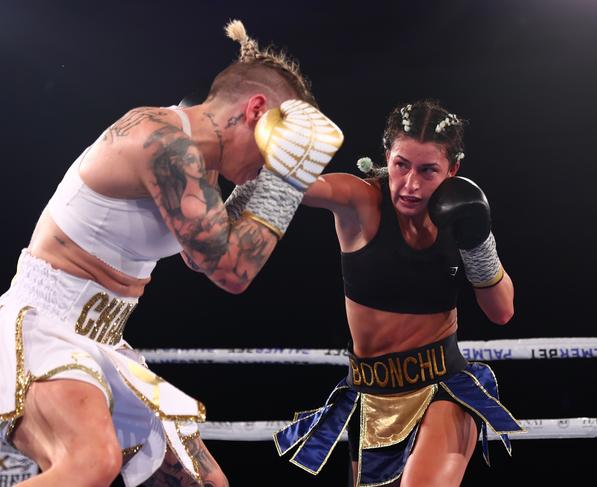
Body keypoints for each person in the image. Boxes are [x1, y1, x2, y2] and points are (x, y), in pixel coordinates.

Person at [0, 19, 343, 487]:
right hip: (43, 324)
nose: (267, 164)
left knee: (205, 484)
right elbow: (231, 272)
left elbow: (202, 255)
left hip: (102, 338)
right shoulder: (167, 145)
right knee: (90, 463)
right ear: (256, 110)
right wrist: (286, 180)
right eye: (275, 148)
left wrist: (276, 178)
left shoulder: (200, 165)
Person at [274, 99, 524, 486]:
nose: (411, 184)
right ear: (387, 156)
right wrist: (259, 136)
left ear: (452, 170)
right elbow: (304, 187)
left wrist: (478, 243)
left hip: (443, 386)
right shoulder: (361, 202)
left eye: (428, 171)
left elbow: (502, 311)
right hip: (369, 396)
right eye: (401, 165)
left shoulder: (462, 217)